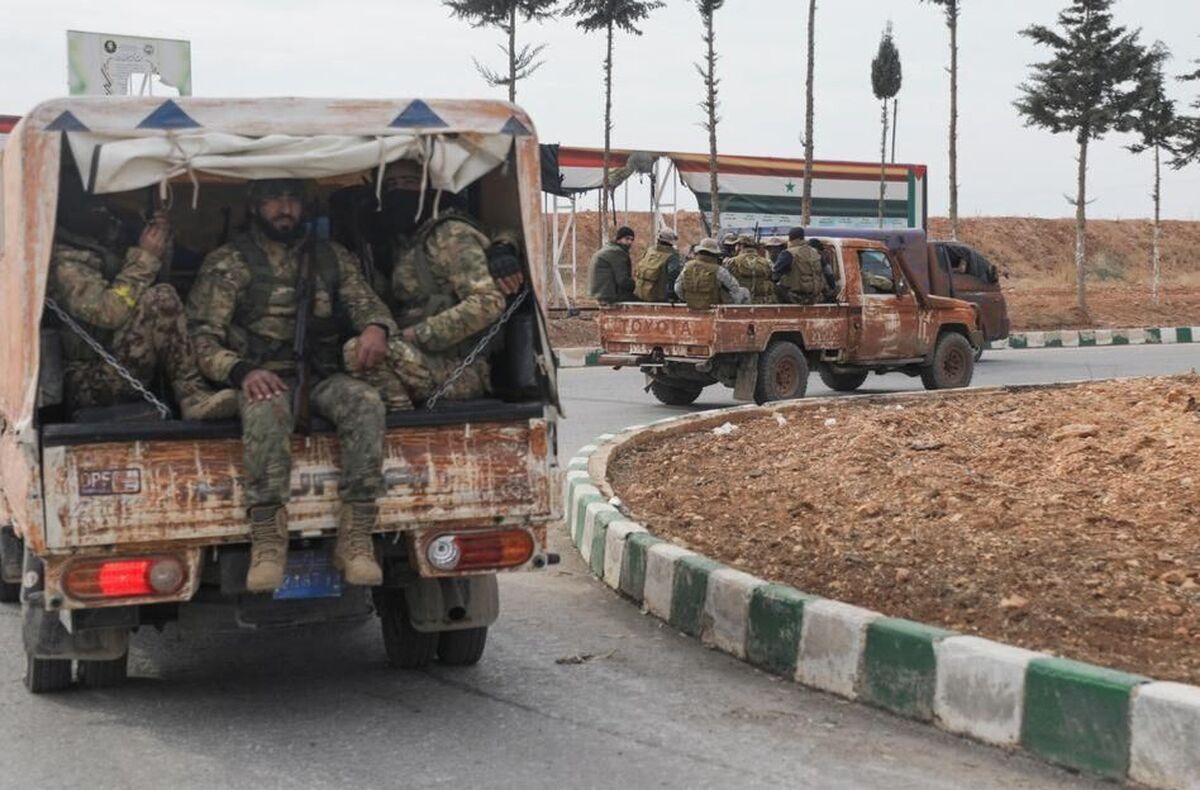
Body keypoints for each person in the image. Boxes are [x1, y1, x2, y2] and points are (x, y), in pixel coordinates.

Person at [187, 178, 398, 593]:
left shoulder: (330, 257)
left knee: (365, 401)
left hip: (319, 374)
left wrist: (376, 328)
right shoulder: (230, 262)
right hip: (261, 375)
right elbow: (201, 338)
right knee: (266, 406)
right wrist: (242, 371)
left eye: (292, 199)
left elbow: (368, 304)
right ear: (254, 206)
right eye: (273, 199)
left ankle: (355, 538)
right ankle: (268, 539)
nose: (285, 208)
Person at [49, 168, 237, 421]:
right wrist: (145, 257)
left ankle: (193, 395)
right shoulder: (64, 265)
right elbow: (110, 312)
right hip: (86, 381)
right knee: (160, 297)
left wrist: (159, 243)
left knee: (161, 296)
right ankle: (191, 394)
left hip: (118, 366)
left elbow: (143, 290)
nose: (105, 213)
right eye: (95, 206)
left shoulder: (99, 246)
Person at [343, 159, 509, 407]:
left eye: (410, 182)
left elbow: (488, 302)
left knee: (358, 351)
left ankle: (402, 422)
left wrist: (416, 335)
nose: (400, 191)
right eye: (392, 185)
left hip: (462, 370)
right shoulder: (404, 241)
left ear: (429, 189)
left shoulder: (450, 233)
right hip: (422, 360)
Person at [675, 238, 750, 309]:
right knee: (744, 291)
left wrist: (689, 299)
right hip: (713, 304)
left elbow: (677, 288)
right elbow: (735, 288)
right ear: (715, 254)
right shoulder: (718, 270)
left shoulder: (687, 266)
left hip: (691, 304)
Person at [773, 227, 835, 304]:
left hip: (795, 298)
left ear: (790, 238)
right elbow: (829, 273)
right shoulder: (816, 252)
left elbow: (774, 276)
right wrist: (832, 289)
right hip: (816, 298)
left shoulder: (788, 253)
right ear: (803, 237)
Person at [588, 225, 637, 304]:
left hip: (601, 292)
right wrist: (637, 285)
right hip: (609, 294)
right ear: (618, 240)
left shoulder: (609, 248)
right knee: (645, 301)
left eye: (632, 240)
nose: (630, 242)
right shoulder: (617, 252)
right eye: (627, 239)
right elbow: (623, 281)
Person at [724, 233, 777, 304]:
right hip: (762, 304)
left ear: (740, 246)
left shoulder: (732, 262)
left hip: (740, 304)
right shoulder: (766, 263)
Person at [633, 228, 682, 302]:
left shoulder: (650, 250)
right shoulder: (672, 256)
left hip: (640, 294)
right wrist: (672, 295)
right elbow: (673, 276)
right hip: (659, 297)